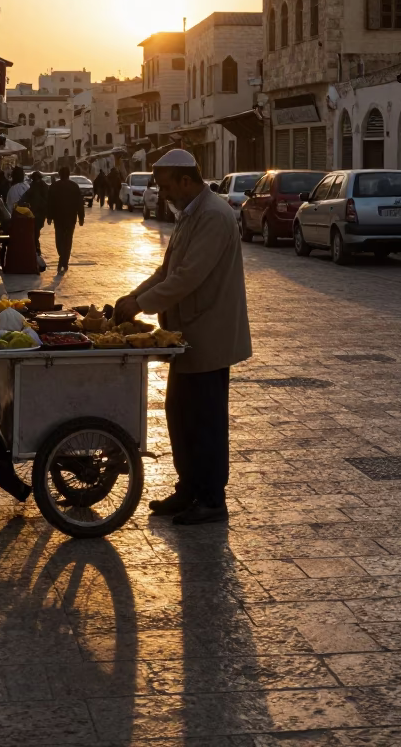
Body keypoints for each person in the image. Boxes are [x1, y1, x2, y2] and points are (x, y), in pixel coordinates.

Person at [114, 149, 251, 526]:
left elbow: (188, 276)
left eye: (167, 186)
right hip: (186, 334)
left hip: (208, 333)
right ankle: (188, 487)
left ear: (186, 180)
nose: (164, 194)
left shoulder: (213, 215)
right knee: (180, 413)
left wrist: (141, 304)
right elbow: (167, 271)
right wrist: (132, 297)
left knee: (205, 421)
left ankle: (211, 498)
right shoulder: (192, 212)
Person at [46, 166, 85, 273]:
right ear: (69, 175)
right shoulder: (74, 186)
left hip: (58, 218)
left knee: (59, 239)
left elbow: (49, 203)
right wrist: (81, 217)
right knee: (68, 239)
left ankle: (62, 259)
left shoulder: (54, 186)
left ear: (59, 175)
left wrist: (49, 217)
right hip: (71, 218)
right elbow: (79, 203)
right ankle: (64, 260)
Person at [23, 171, 49, 253]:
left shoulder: (37, 186)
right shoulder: (37, 186)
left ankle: (35, 245)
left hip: (37, 212)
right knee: (36, 229)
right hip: (38, 212)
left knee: (35, 229)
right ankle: (36, 245)